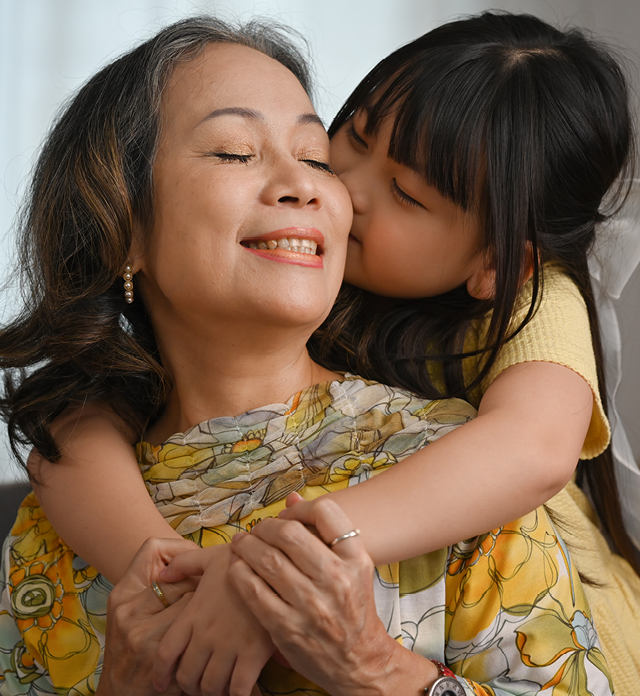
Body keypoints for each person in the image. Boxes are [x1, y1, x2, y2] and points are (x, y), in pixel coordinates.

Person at [0, 10, 629, 695]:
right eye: (236, 151)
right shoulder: (59, 521)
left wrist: (364, 658)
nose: (333, 190)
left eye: (311, 158)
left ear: (497, 262)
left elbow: (532, 449)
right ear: (119, 222)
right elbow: (69, 432)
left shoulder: (507, 356)